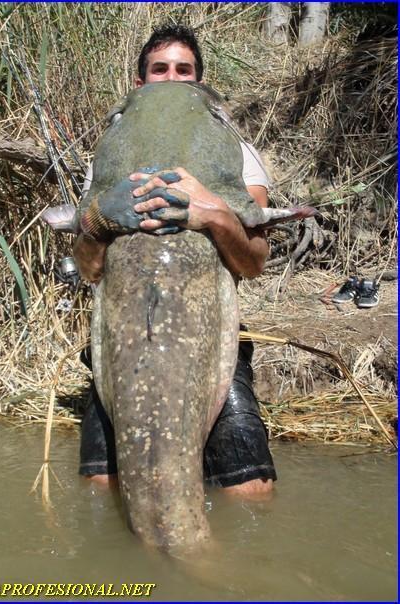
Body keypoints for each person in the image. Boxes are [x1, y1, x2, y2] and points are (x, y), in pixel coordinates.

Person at [77, 24, 277, 497]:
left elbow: (254, 263)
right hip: (124, 335)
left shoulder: (239, 154)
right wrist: (101, 221)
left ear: (200, 85)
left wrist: (216, 216)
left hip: (207, 336)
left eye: (183, 70)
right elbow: (88, 269)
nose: (171, 78)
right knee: (99, 488)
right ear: (140, 84)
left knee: (250, 492)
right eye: (159, 69)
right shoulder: (107, 157)